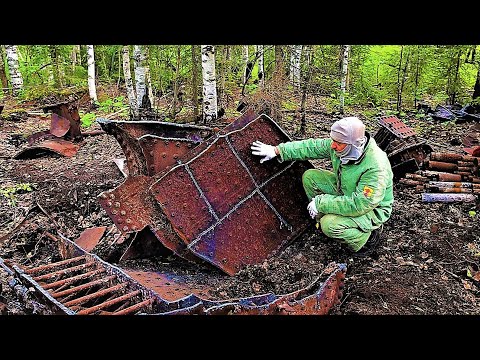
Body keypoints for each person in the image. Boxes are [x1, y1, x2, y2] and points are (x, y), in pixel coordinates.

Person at [251, 116, 394, 255]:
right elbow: (311, 147)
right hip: (347, 191)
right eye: (333, 140)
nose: (333, 145)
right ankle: (328, 221)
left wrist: (321, 203)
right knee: (310, 177)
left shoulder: (376, 167)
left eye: (338, 143)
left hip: (370, 210)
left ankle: (366, 240)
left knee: (329, 224)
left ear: (353, 144)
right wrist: (278, 150)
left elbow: (360, 204)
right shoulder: (342, 145)